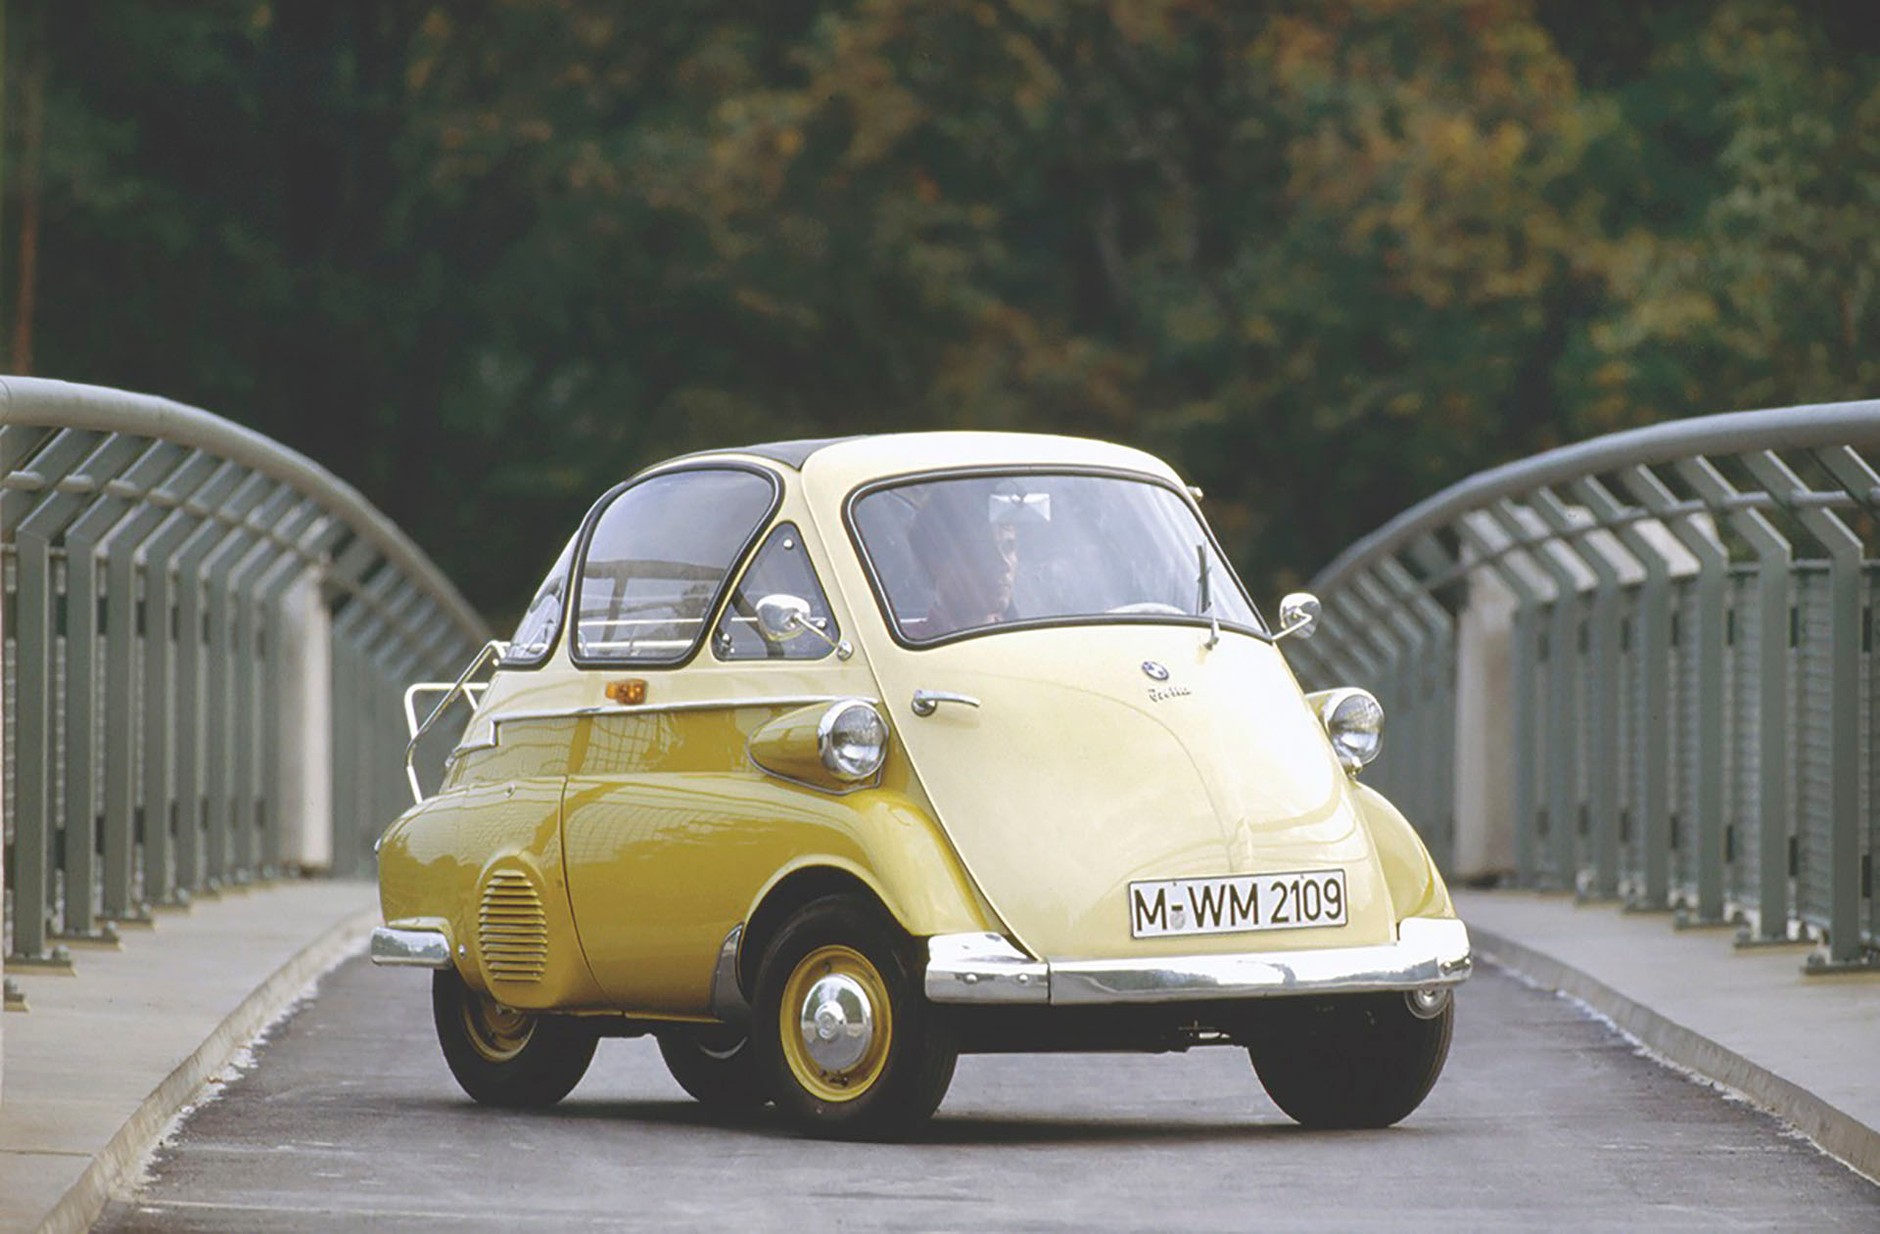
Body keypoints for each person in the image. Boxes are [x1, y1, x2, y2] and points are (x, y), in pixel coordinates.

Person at [907, 481, 1020, 637]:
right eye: (984, 551)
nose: (1004, 565)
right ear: (937, 562)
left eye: (1009, 548)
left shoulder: (1026, 638)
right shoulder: (912, 645)